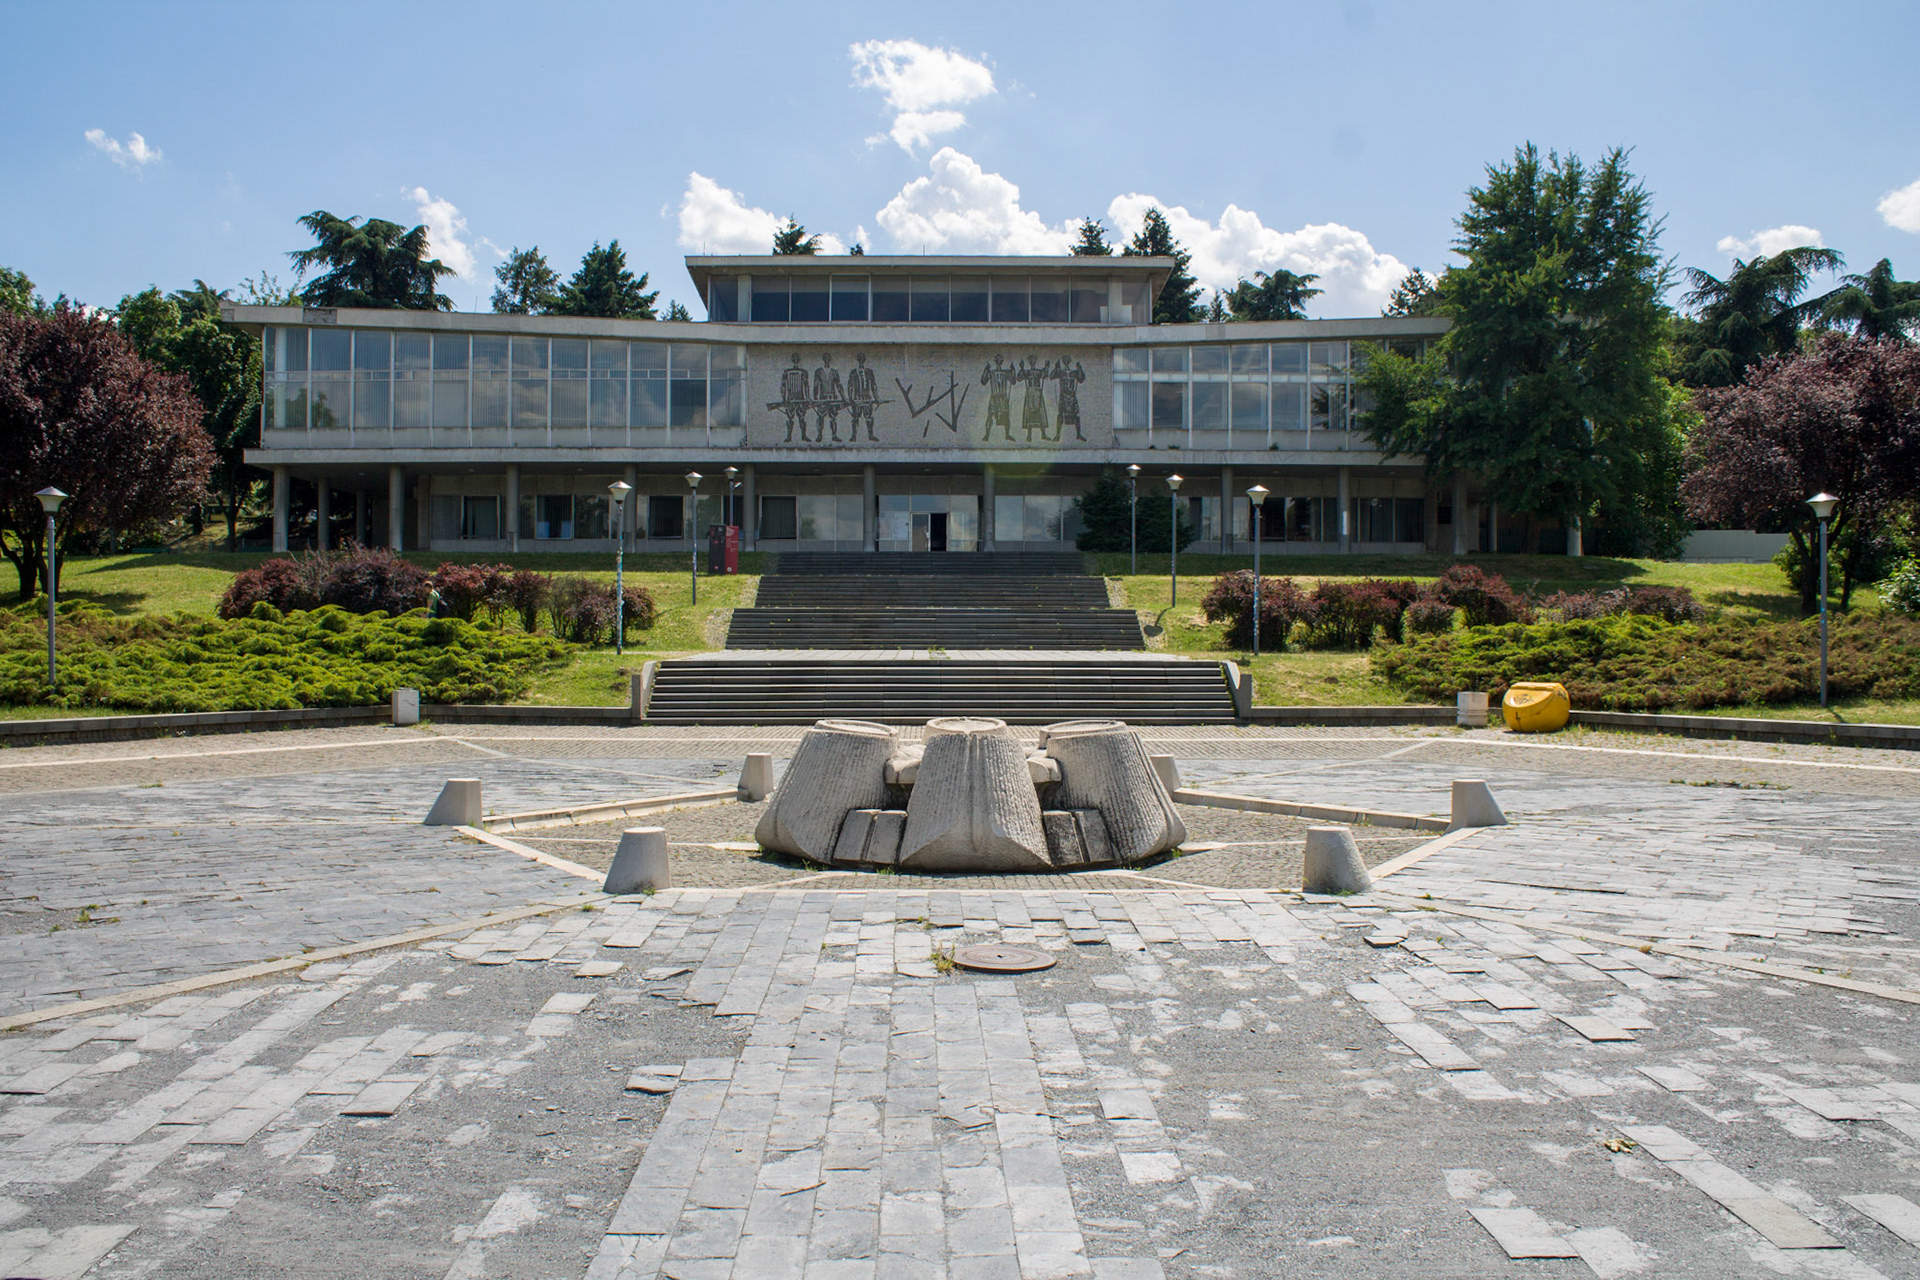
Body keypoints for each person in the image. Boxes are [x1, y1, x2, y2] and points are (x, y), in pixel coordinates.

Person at [980, 355, 1016, 441]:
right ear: (995, 361)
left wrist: (1013, 370)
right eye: (997, 359)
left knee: (1006, 416)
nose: (999, 361)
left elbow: (1013, 381)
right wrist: (986, 369)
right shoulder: (991, 372)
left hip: (1003, 397)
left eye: (1000, 359)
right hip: (994, 397)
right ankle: (987, 435)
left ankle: (1007, 435)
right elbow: (983, 381)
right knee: (990, 415)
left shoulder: (1006, 372)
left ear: (1002, 361)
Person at [776, 352, 811, 443]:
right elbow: (783, 386)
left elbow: (806, 385)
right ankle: (788, 437)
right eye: (794, 359)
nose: (795, 361)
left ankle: (803, 435)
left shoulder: (803, 372)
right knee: (790, 418)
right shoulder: (787, 372)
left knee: (802, 417)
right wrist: (784, 399)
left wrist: (807, 398)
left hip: (801, 398)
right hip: (790, 399)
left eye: (797, 359)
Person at [846, 352, 880, 443]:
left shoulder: (869, 372)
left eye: (862, 359)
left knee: (868, 417)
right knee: (855, 417)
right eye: (859, 358)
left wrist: (876, 397)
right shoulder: (853, 372)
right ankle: (853, 436)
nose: (861, 360)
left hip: (867, 399)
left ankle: (871, 435)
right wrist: (850, 398)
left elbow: (873, 385)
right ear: (858, 360)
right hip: (856, 399)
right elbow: (850, 386)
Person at [813, 353, 846, 444]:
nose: (827, 360)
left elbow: (838, 386)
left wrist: (844, 397)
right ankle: (819, 434)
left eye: (828, 358)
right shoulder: (818, 372)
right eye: (825, 358)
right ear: (823, 359)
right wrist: (815, 398)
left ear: (830, 359)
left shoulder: (834, 372)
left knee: (833, 417)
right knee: (820, 417)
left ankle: (834, 435)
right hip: (822, 398)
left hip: (833, 398)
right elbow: (816, 386)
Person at [1053, 358, 1086, 441]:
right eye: (1065, 360)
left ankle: (1078, 434)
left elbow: (1081, 379)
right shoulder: (1061, 372)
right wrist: (1056, 368)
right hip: (1063, 396)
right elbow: (1052, 376)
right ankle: (1058, 434)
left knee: (1076, 415)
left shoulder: (1073, 372)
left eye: (1068, 360)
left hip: (1071, 395)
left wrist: (1079, 369)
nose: (1066, 361)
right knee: (1060, 414)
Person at [1019, 357, 1048, 442]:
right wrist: (1021, 368)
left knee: (1040, 411)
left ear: (1035, 362)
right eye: (1031, 361)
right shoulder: (1027, 372)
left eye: (1033, 361)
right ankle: (1029, 435)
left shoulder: (1038, 372)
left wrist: (1046, 367)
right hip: (1030, 391)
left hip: (1037, 391)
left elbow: (1045, 375)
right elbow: (1019, 378)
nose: (1032, 362)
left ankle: (1043, 434)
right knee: (1030, 412)